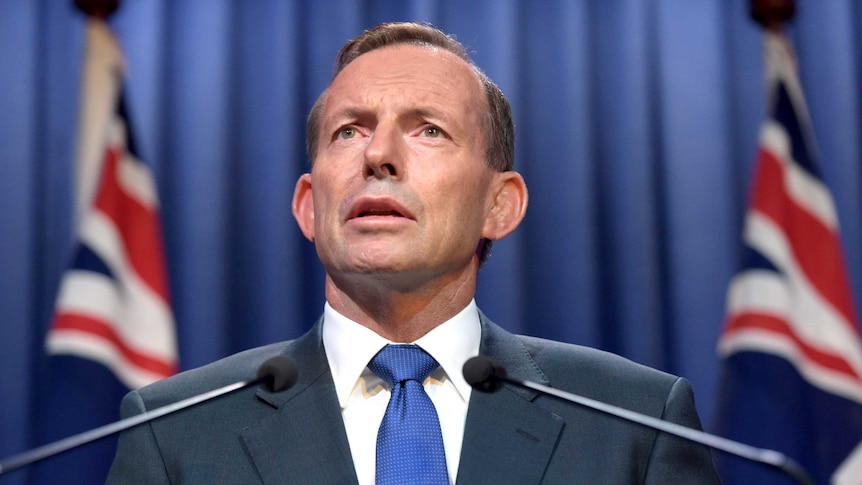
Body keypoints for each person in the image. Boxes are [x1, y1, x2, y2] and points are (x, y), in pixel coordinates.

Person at [107, 22, 721, 484]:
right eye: (349, 130)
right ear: (309, 208)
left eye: (429, 128)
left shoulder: (632, 423)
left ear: (499, 206)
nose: (378, 155)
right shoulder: (174, 435)